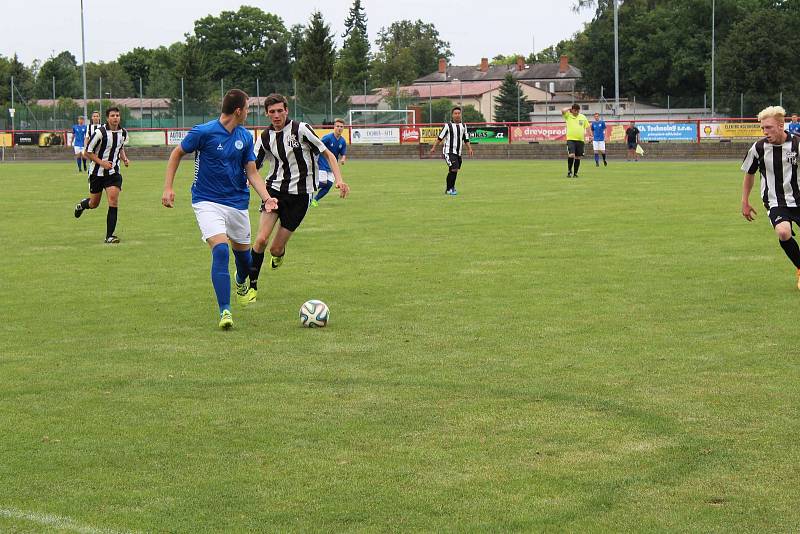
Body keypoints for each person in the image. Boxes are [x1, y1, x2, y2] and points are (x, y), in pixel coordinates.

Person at [162, 89, 277, 330]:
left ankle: (239, 279)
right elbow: (176, 153)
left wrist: (267, 198)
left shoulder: (245, 137)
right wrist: (168, 188)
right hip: (206, 201)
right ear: (238, 110)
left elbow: (252, 172)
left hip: (237, 202)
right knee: (221, 251)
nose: (249, 112)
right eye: (247, 108)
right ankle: (225, 310)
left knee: (245, 262)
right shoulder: (203, 132)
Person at [247, 93, 349, 300]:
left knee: (275, 249)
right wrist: (244, 180)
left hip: (300, 196)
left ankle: (279, 255)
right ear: (267, 114)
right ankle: (251, 287)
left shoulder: (301, 130)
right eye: (272, 112)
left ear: (286, 110)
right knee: (260, 239)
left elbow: (327, 154)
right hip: (273, 191)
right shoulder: (265, 137)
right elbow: (252, 166)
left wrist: (339, 179)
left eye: (280, 111)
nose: (276, 115)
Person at [742, 105, 800, 289]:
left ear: (781, 125)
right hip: (776, 201)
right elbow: (749, 174)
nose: (765, 131)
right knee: (783, 233)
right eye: (762, 128)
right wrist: (745, 201)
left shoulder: (797, 144)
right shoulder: (758, 148)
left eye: (769, 127)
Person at [73, 107, 129, 244]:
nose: (115, 118)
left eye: (117, 115)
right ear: (107, 118)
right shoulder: (100, 133)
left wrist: (124, 158)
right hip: (97, 173)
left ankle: (109, 236)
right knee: (94, 204)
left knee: (113, 200)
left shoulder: (123, 133)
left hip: (113, 173)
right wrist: (102, 163)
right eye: (112, 115)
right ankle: (81, 205)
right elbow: (87, 152)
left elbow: (120, 147)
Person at [429, 106, 473, 195]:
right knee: (454, 168)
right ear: (452, 115)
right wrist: (434, 147)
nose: (457, 115)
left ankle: (449, 189)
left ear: (461, 115)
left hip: (458, 152)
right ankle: (451, 188)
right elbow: (440, 137)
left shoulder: (463, 126)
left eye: (459, 113)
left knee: (453, 170)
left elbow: (466, 139)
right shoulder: (447, 126)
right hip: (448, 151)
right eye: (455, 113)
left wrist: (470, 148)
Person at [311, 118, 348, 207]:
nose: (339, 128)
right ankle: (307, 192)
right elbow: (317, 145)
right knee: (323, 182)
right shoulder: (328, 137)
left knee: (329, 185)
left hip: (332, 165)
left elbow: (343, 153)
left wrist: (343, 159)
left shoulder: (342, 141)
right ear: (334, 127)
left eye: (341, 127)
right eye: (338, 126)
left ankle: (315, 200)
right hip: (322, 162)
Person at [561, 104, 589, 178]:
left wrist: (591, 136)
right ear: (572, 110)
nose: (576, 112)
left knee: (578, 157)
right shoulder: (568, 116)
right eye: (575, 110)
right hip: (571, 139)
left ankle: (575, 173)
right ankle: (569, 171)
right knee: (571, 155)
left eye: (578, 110)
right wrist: (570, 108)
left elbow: (587, 127)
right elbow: (563, 110)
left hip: (580, 140)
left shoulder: (583, 117)